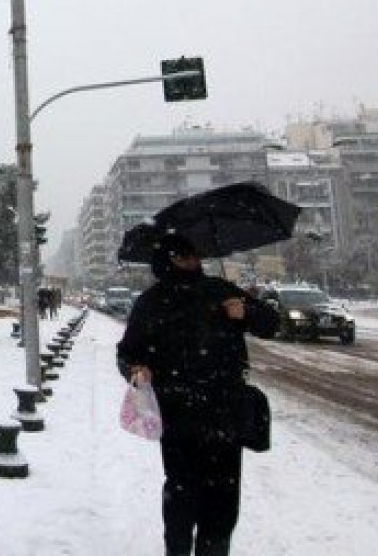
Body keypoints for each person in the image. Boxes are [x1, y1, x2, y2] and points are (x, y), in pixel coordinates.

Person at [116, 234, 278, 556]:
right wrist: (135, 369)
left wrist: (246, 313)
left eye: (193, 254)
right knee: (181, 494)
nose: (192, 261)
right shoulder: (151, 301)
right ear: (167, 260)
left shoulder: (221, 291)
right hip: (177, 414)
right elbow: (128, 351)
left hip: (224, 412)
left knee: (223, 499)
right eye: (182, 255)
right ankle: (176, 549)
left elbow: (271, 324)